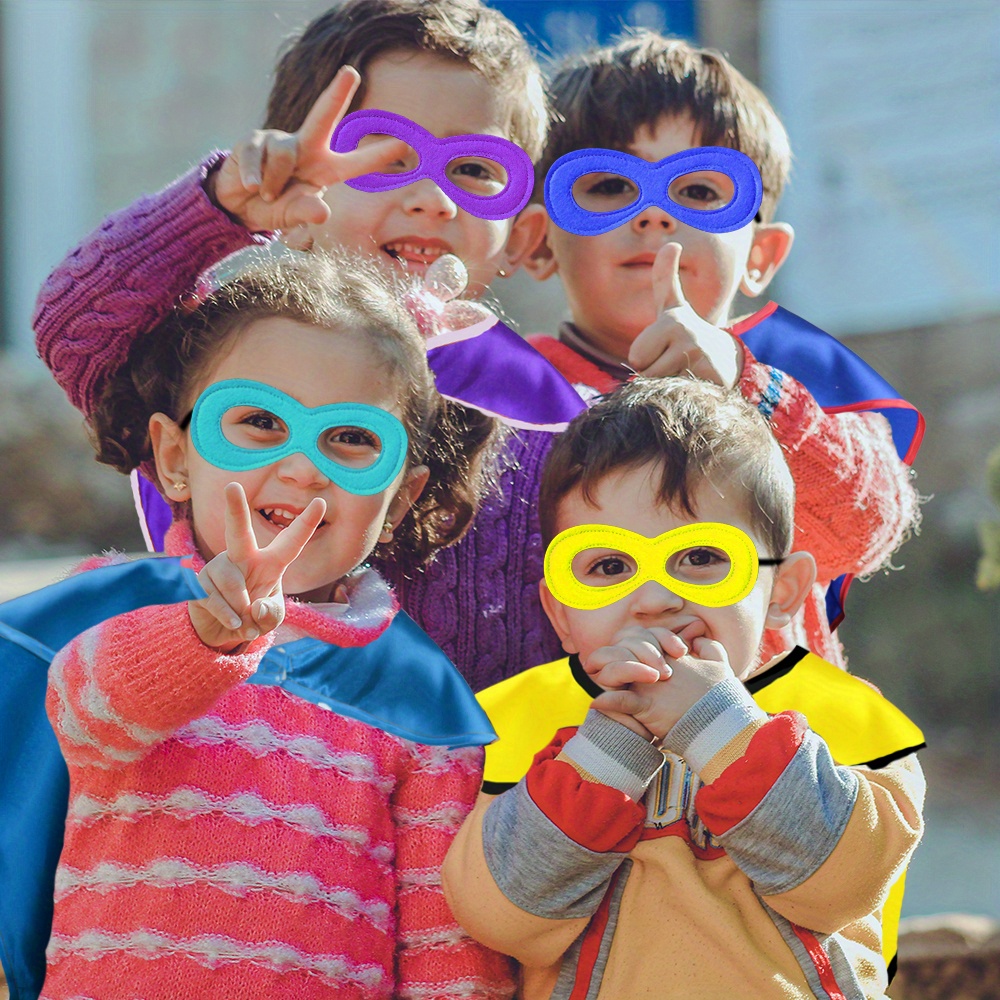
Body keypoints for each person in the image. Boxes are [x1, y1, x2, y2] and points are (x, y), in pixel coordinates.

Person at [33, 0, 565, 693]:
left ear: (519, 236)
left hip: (454, 786)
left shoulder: (545, 412)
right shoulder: (227, 353)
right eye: (386, 155)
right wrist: (223, 207)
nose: (434, 195)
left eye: (474, 169)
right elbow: (81, 325)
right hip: (216, 763)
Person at [27, 249, 514, 998]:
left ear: (402, 498)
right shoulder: (122, 606)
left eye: (352, 439)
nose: (302, 466)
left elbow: (444, 942)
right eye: (258, 422)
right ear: (175, 457)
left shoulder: (418, 693)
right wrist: (205, 634)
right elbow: (86, 717)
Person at [442, 378, 926, 1000]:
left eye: (700, 557)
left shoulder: (852, 719)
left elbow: (844, 885)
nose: (656, 600)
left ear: (781, 592)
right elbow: (505, 921)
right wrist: (606, 751)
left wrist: (717, 723)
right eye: (609, 566)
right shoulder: (521, 725)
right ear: (562, 613)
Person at [520, 31, 923, 668]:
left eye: (700, 190)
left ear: (762, 255)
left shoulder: (792, 382)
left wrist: (744, 385)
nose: (653, 215)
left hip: (771, 746)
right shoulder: (505, 395)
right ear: (538, 240)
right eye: (607, 185)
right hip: (589, 751)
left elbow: (862, 531)